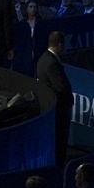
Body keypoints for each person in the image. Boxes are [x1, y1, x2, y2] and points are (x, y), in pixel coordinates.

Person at [36, 30, 73, 162]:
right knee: (59, 143)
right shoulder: (52, 63)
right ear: (59, 45)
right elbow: (61, 88)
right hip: (59, 111)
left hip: (53, 110)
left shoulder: (43, 58)